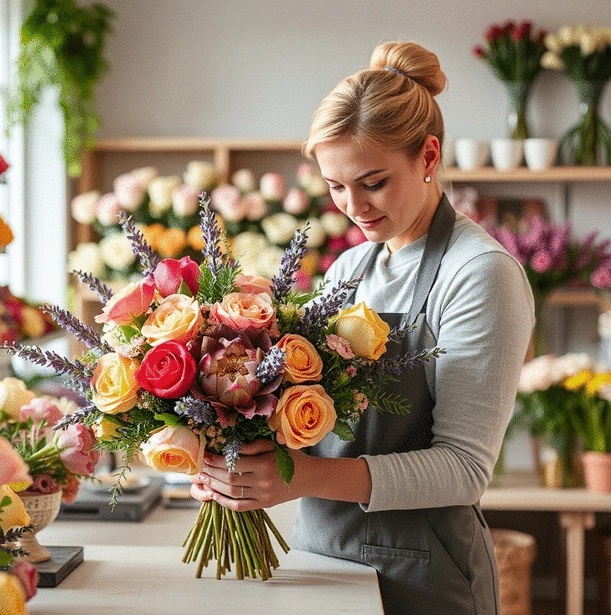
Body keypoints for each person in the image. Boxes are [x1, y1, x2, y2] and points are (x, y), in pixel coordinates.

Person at [192, 41, 534, 615]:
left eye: (373, 182)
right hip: (318, 559)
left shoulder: (479, 274)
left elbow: (463, 469)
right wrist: (233, 455)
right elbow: (304, 414)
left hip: (420, 577)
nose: (354, 206)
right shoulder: (352, 266)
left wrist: (300, 476)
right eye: (335, 185)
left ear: (428, 157)